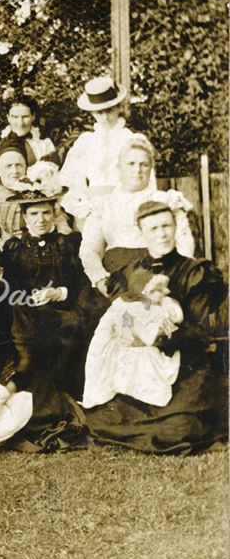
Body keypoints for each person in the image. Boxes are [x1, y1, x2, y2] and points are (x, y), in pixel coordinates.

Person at [83, 201, 227, 454]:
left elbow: (197, 330)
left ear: (175, 228)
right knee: (104, 418)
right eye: (153, 229)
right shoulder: (130, 270)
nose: (161, 234)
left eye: (166, 226)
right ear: (142, 232)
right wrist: (129, 335)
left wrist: (156, 340)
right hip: (136, 363)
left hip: (183, 359)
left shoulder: (195, 271)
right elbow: (121, 312)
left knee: (181, 427)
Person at [0, 243, 84, 452]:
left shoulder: (13, 305)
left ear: (0, 273)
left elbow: (26, 359)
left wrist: (5, 389)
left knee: (9, 408)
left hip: (17, 376)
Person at [1, 182, 95, 397]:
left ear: (54, 213)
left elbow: (81, 281)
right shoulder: (15, 248)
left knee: (73, 327)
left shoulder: (69, 244)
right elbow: (10, 285)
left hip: (64, 312)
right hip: (27, 313)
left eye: (46, 213)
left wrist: (59, 292)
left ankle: (67, 394)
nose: (40, 219)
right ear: (25, 217)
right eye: (34, 214)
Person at [78, 134, 194, 293]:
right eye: (131, 164)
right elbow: (90, 249)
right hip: (114, 277)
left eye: (144, 164)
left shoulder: (165, 200)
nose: (137, 170)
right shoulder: (104, 204)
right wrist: (101, 280)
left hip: (159, 274)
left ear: (151, 168)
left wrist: (174, 277)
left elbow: (183, 241)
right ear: (119, 168)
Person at [59, 77, 156, 224]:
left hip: (125, 209)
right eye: (99, 112)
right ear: (92, 113)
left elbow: (147, 180)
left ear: (119, 107)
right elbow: (70, 180)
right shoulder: (86, 141)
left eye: (109, 110)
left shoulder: (132, 139)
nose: (105, 117)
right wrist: (83, 207)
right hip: (91, 211)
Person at [82, 270, 183, 409]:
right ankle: (141, 391)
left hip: (131, 340)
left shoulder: (146, 304)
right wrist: (154, 331)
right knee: (145, 356)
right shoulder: (129, 307)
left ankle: (145, 389)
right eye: (158, 290)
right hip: (116, 346)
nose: (165, 292)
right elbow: (131, 331)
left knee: (149, 353)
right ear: (146, 292)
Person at [0, 138, 71, 247]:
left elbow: (64, 231)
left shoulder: (42, 195)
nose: (15, 171)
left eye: (19, 165)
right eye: (8, 166)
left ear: (26, 168)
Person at [0, 90, 56, 166]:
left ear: (33, 116)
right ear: (8, 118)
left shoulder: (44, 145)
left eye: (25, 117)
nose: (20, 123)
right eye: (15, 117)